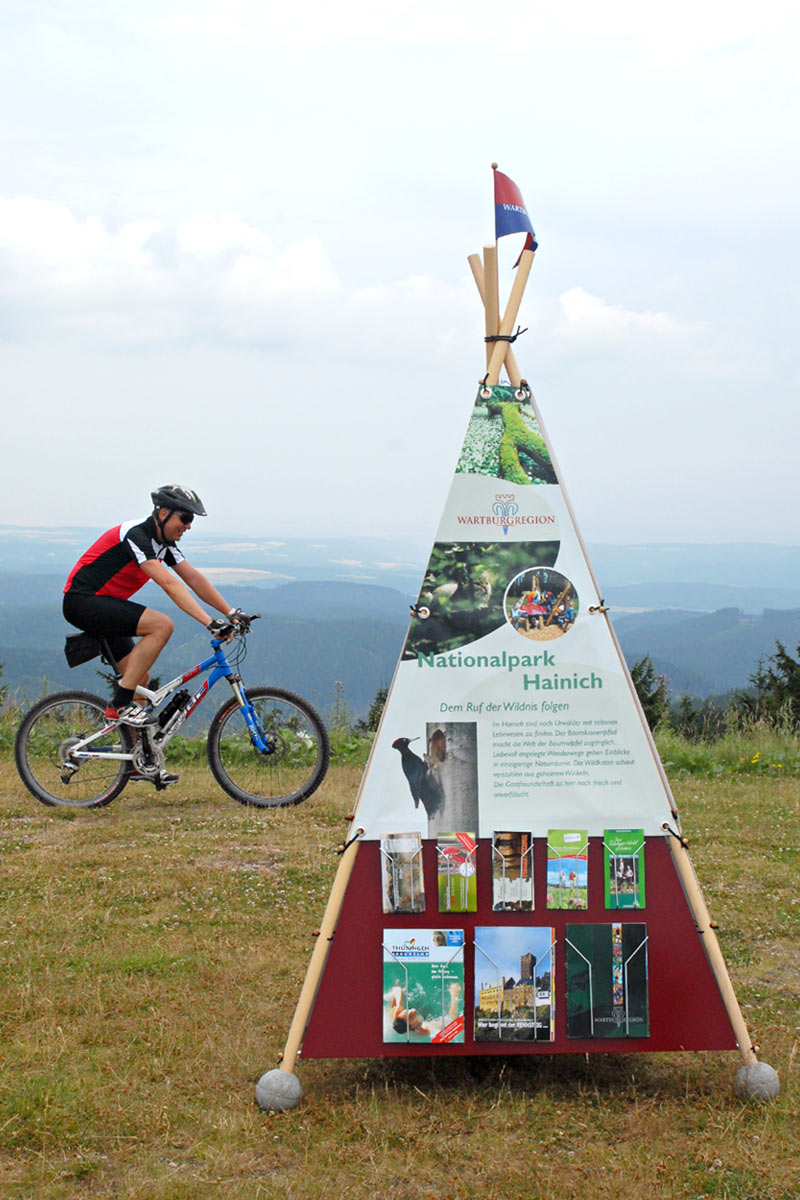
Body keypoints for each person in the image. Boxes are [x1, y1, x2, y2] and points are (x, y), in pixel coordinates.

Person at [63, 485, 242, 728]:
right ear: (163, 513)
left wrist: (230, 612)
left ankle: (138, 763)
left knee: (139, 681)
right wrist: (208, 621)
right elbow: (169, 584)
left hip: (105, 605)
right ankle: (120, 706)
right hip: (82, 601)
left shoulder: (164, 544)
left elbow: (193, 579)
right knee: (161, 625)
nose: (189, 526)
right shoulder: (135, 534)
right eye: (186, 518)